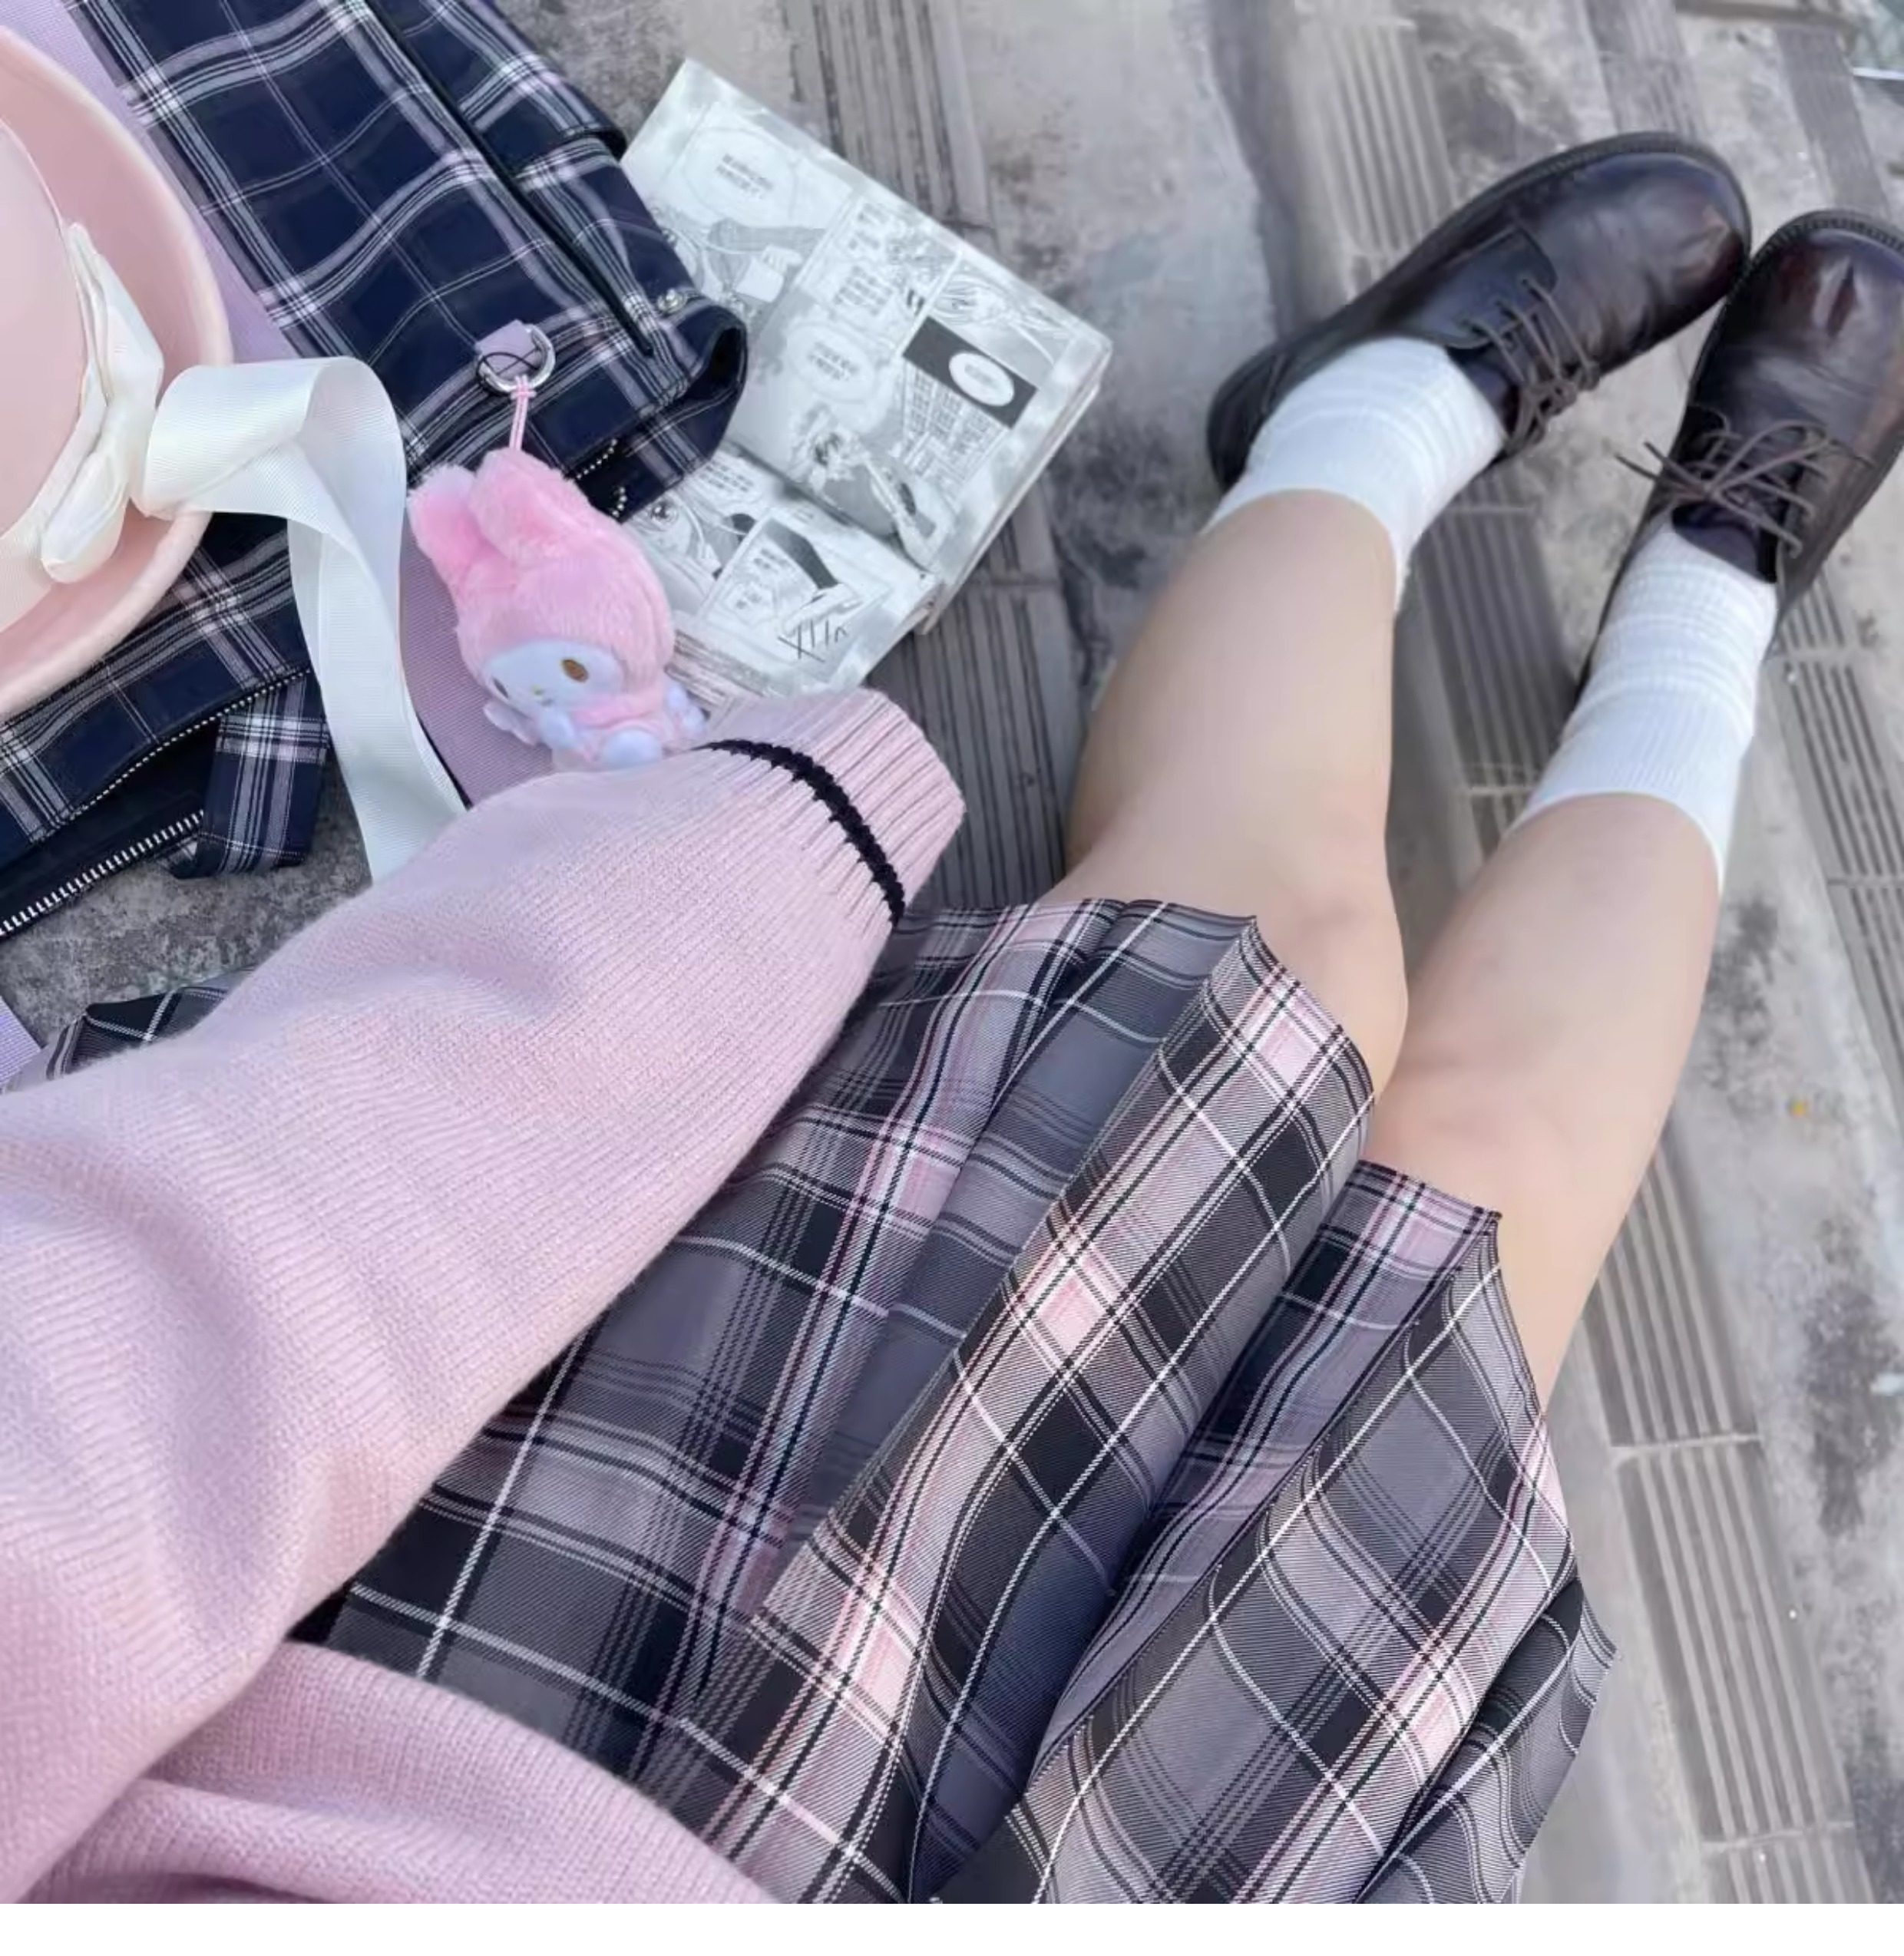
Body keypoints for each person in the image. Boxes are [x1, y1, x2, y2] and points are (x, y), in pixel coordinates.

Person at [3, 136, 1901, 1905]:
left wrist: (690, 912)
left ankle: (1368, 423)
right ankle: (1706, 606)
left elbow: (114, 1406)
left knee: (1269, 956)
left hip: (399, 1730)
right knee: (1479, 1222)